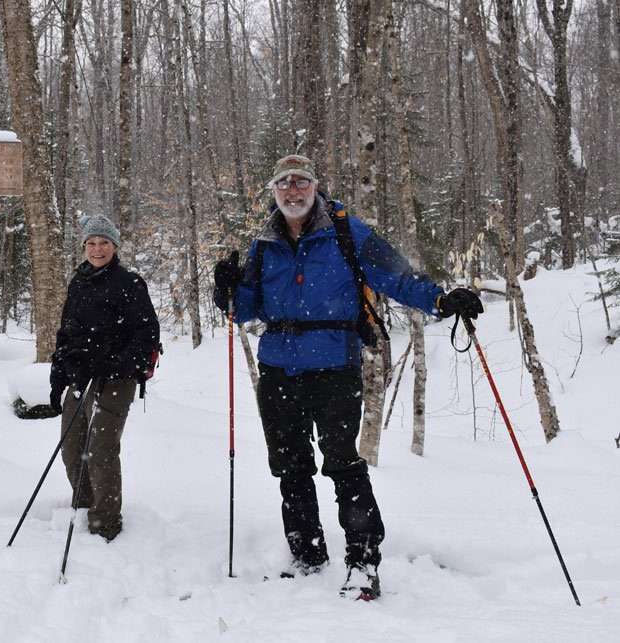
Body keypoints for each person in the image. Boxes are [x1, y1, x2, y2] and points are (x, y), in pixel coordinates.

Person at [212, 154, 482, 599]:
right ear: (274, 192)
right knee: (290, 467)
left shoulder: (345, 232)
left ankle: (362, 563)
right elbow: (245, 310)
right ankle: (306, 555)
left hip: (335, 366)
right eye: (284, 184)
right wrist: (226, 288)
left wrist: (440, 299)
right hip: (279, 368)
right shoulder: (264, 245)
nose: (293, 191)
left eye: (301, 183)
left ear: (315, 187)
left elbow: (397, 276)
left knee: (343, 465)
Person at [49, 214, 160, 542]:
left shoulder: (129, 283)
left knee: (100, 450)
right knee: (72, 449)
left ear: (115, 246)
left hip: (115, 380)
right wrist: (59, 377)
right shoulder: (78, 281)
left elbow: (146, 335)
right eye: (92, 243)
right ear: (84, 246)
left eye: (104, 243)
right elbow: (65, 333)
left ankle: (104, 524)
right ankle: (83, 506)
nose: (98, 249)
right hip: (79, 378)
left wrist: (112, 364)